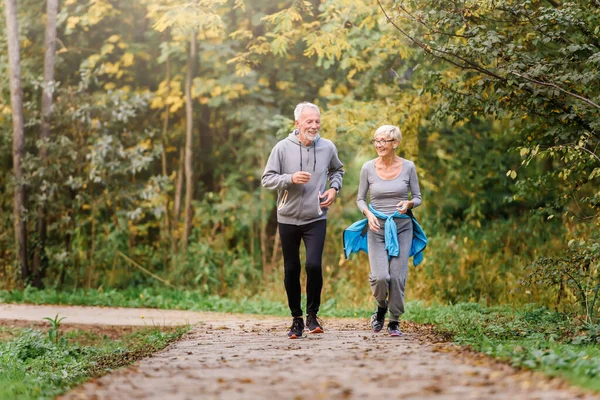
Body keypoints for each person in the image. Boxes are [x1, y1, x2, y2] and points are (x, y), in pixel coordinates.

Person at [261, 102, 345, 339]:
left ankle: (312, 316)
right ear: (297, 123)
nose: (314, 125)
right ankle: (296, 319)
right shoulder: (281, 148)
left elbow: (337, 171)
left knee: (314, 265)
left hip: (316, 216)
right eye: (309, 121)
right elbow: (267, 179)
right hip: (287, 217)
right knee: (291, 268)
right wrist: (290, 178)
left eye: (317, 121)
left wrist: (334, 190)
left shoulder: (328, 147)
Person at [344, 125, 426, 337]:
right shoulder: (368, 168)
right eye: (376, 141)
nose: (379, 145)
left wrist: (408, 204)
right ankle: (381, 307)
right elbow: (361, 199)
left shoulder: (408, 167)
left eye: (383, 141)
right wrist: (368, 214)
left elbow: (417, 198)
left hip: (402, 228)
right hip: (376, 227)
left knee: (397, 277)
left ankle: (394, 320)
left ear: (395, 144)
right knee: (380, 277)